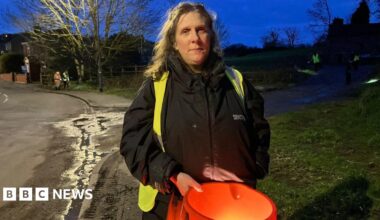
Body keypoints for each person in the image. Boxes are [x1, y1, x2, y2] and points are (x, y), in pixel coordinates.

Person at [120, 2, 270, 219]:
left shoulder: (236, 81)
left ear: (211, 36)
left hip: (231, 208)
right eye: (185, 31)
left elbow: (260, 131)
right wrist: (170, 174)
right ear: (174, 42)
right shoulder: (156, 86)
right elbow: (133, 143)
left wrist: (255, 165)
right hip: (171, 206)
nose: (195, 38)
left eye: (201, 30)